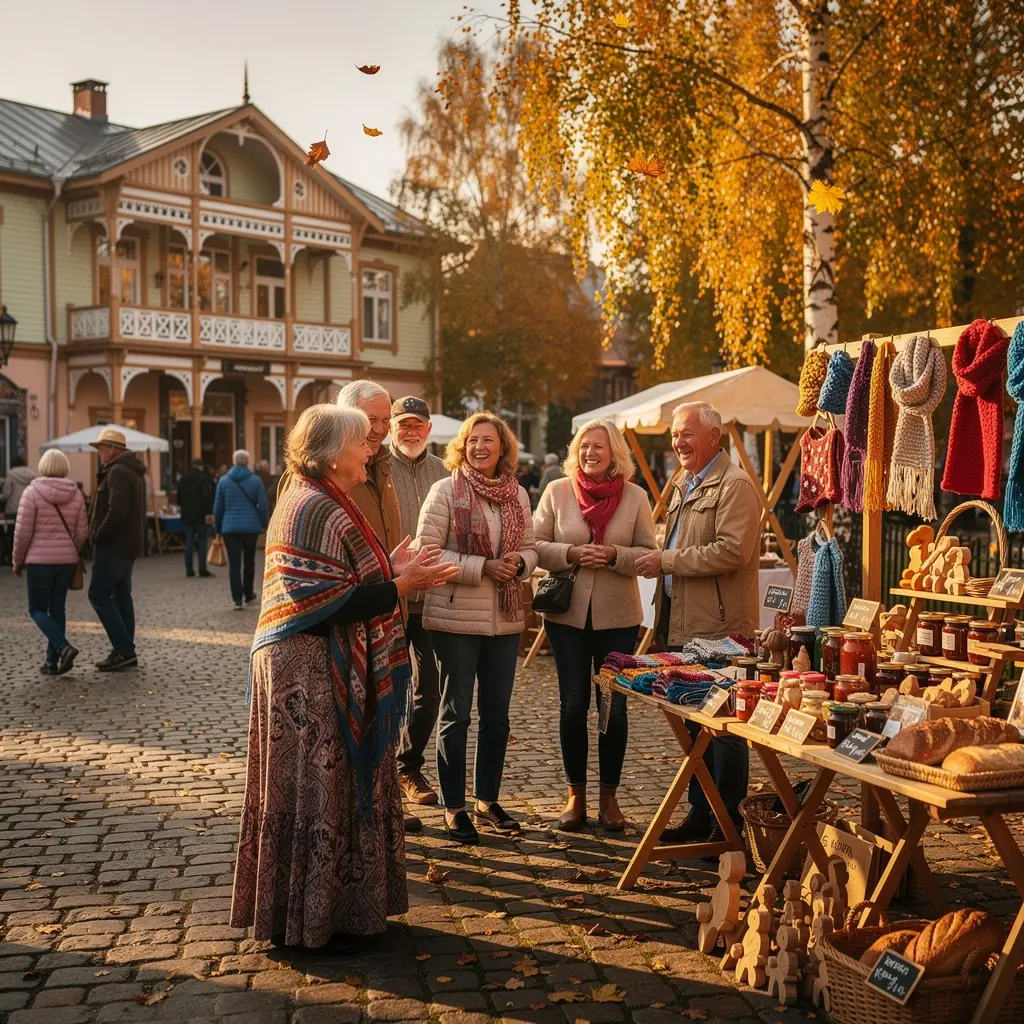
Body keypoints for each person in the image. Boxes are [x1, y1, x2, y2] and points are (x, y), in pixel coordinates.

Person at [230, 404, 458, 948]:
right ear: (333, 454)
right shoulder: (313, 505)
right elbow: (327, 601)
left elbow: (343, 578)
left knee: (329, 790)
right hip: (307, 671)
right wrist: (400, 585)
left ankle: (334, 911)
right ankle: (318, 917)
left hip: (315, 663)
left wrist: (392, 568)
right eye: (362, 442)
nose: (371, 449)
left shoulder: (326, 498)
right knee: (320, 792)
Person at [635, 402, 761, 845]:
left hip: (721, 630)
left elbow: (733, 551)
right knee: (694, 722)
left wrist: (666, 560)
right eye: (674, 434)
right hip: (684, 623)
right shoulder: (685, 483)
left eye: (687, 433)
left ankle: (726, 824)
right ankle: (700, 812)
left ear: (715, 436)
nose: (678, 442)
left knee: (723, 726)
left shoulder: (736, 485)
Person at [417, 412, 538, 844]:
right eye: (473, 440)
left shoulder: (516, 495)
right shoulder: (445, 490)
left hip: (504, 620)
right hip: (454, 618)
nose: (480, 447)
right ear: (462, 446)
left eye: (489, 440)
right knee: (455, 714)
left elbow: (530, 548)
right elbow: (426, 554)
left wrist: (520, 564)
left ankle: (487, 798)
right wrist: (483, 566)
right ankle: (454, 807)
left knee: (497, 716)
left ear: (502, 447)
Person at [534, 420, 657, 832]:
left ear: (614, 452)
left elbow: (647, 553)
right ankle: (575, 796)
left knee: (612, 708)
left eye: (598, 447)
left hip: (618, 617)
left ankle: (609, 798)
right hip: (566, 618)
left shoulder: (636, 497)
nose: (590, 453)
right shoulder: (557, 491)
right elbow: (534, 547)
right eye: (584, 446)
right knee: (572, 706)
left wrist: (612, 555)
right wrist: (570, 552)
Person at [389, 396, 448, 807]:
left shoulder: (442, 471)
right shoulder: (374, 467)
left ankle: (407, 766)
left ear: (428, 430)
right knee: (387, 687)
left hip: (430, 598)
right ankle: (379, 771)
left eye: (418, 425)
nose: (411, 431)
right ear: (393, 427)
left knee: (430, 686)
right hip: (388, 595)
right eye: (404, 424)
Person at [12, 449, 87, 676]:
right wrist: (71, 551)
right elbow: (82, 532)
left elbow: (22, 532)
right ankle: (52, 662)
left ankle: (63, 647)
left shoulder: (32, 492)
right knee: (57, 609)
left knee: (36, 609)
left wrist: (17, 560)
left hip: (39, 562)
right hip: (66, 562)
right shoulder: (76, 493)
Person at [87, 428, 147, 672]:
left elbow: (117, 511)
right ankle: (125, 650)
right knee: (122, 595)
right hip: (127, 544)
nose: (99, 453)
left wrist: (99, 535)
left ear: (113, 448)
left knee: (98, 594)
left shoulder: (119, 472)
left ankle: (123, 648)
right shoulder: (132, 471)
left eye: (101, 448)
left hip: (114, 545)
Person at [335, 380, 402, 554]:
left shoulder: (384, 465)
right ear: (345, 418)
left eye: (386, 420)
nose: (380, 429)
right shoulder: (322, 470)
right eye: (370, 419)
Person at [214, 450, 269, 611]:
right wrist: (264, 523)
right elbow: (263, 505)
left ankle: (237, 598)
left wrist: (218, 527)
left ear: (234, 461)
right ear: (248, 462)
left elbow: (218, 507)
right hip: (251, 527)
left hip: (230, 528)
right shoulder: (256, 481)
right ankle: (248, 592)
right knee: (249, 561)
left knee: (234, 563)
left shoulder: (224, 481)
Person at [176, 459, 215, 578]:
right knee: (202, 541)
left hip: (186, 515)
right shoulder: (203, 478)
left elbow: (178, 497)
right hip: (200, 515)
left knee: (189, 542)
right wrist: (209, 513)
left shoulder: (183, 478)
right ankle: (202, 569)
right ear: (201, 466)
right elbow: (206, 497)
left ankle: (189, 570)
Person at [2, 455, 37, 565]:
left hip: (13, 509)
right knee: (28, 534)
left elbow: (6, 494)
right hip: (29, 509)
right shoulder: (33, 475)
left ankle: (12, 559)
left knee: (12, 534)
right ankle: (26, 558)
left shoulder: (11, 474)